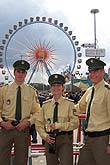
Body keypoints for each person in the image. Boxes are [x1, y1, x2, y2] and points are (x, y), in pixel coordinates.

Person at [0, 60, 40, 165]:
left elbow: (38, 112)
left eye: (23, 72)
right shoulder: (4, 90)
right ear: (14, 72)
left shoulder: (31, 91)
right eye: (18, 71)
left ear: (26, 74)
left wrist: (28, 122)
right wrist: (2, 123)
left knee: (21, 160)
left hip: (22, 129)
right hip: (5, 129)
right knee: (2, 159)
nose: (20, 74)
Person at [36, 73, 79, 165]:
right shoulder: (45, 105)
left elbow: (75, 123)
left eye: (58, 85)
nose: (56, 88)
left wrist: (58, 125)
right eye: (53, 86)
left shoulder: (70, 104)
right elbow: (39, 123)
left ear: (63, 87)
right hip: (49, 139)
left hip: (65, 139)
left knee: (66, 163)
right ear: (51, 88)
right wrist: (44, 136)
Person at [77, 58, 110, 165]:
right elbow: (78, 108)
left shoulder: (107, 91)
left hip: (102, 140)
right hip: (87, 139)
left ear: (103, 72)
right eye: (90, 71)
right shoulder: (89, 90)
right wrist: (62, 106)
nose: (92, 74)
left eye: (96, 71)